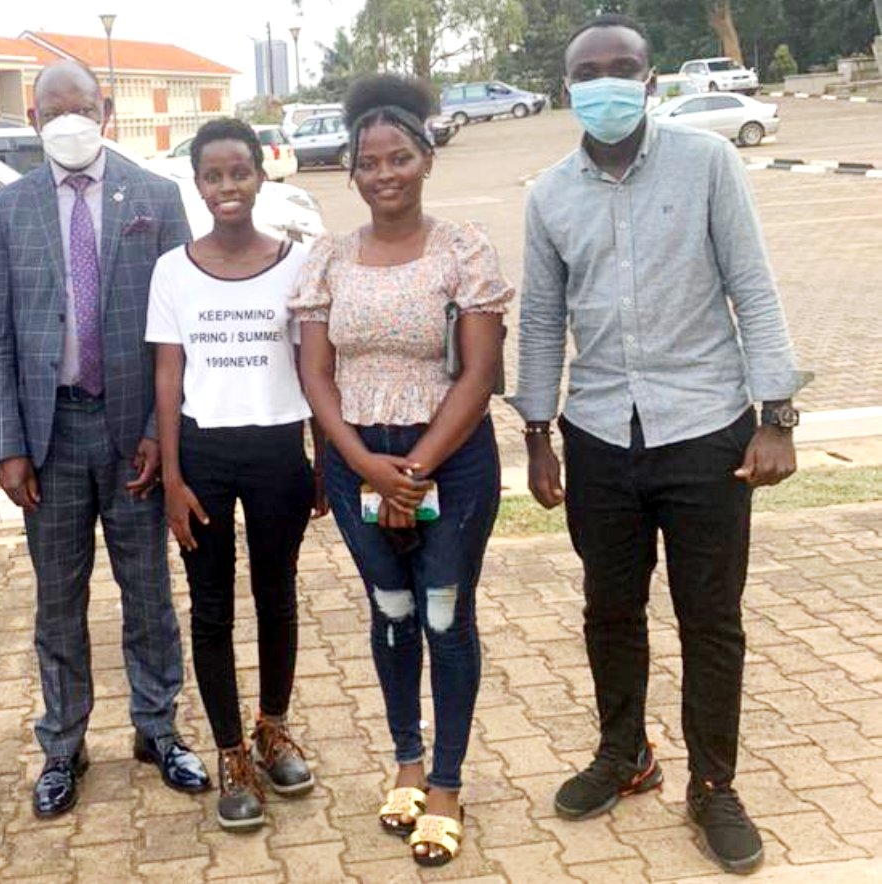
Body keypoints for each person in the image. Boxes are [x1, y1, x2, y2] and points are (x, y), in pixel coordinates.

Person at [511, 14, 809, 875]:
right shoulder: (548, 194)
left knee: (711, 619)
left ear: (649, 80)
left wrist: (776, 415)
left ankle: (713, 785)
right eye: (588, 72)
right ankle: (625, 754)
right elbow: (539, 320)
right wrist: (537, 435)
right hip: (600, 431)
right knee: (610, 610)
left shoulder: (707, 163)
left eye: (622, 68)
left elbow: (751, 283)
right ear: (570, 88)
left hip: (707, 429)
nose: (605, 83)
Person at [0, 60, 209, 819]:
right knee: (58, 603)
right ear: (33, 118)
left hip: (134, 436)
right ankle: (62, 744)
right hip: (49, 437)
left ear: (104, 111)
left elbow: (180, 329)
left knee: (149, 595)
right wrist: (6, 446)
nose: (68, 120)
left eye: (81, 107)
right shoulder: (7, 209)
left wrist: (157, 432)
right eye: (53, 110)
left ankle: (158, 730)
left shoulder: (154, 196)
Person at [291, 75, 513, 867]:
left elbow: (479, 373)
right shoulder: (328, 259)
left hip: (448, 460)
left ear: (426, 159)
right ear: (351, 172)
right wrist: (361, 465)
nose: (385, 174)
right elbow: (316, 374)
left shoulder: (464, 250)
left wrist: (411, 473)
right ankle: (408, 764)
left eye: (400, 158)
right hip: (359, 457)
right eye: (369, 163)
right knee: (391, 610)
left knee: (445, 614)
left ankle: (448, 782)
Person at [147, 118, 326, 831]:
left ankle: (272, 728)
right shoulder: (173, 269)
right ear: (198, 183)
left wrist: (320, 458)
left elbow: (315, 370)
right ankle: (231, 753)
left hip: (280, 449)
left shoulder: (296, 264)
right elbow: (168, 375)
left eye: (239, 172)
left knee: (276, 594)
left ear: (261, 175)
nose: (227, 186)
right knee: (212, 607)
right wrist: (171, 475)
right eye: (213, 175)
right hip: (204, 455)